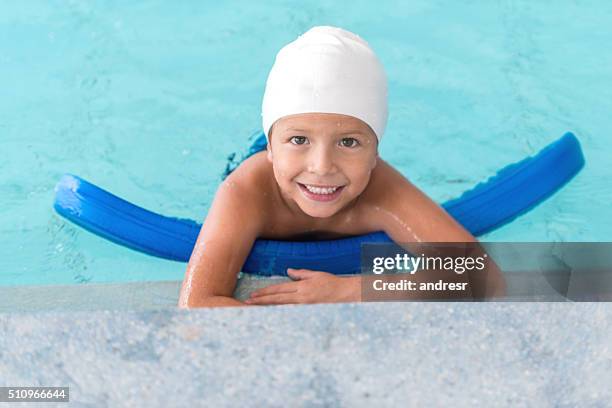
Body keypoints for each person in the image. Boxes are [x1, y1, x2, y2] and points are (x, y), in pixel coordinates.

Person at [178, 26, 505, 308]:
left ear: (375, 152)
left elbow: (483, 278)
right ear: (272, 150)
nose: (322, 166)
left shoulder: (383, 189)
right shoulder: (246, 191)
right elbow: (197, 303)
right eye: (299, 140)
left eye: (348, 142)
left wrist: (352, 289)